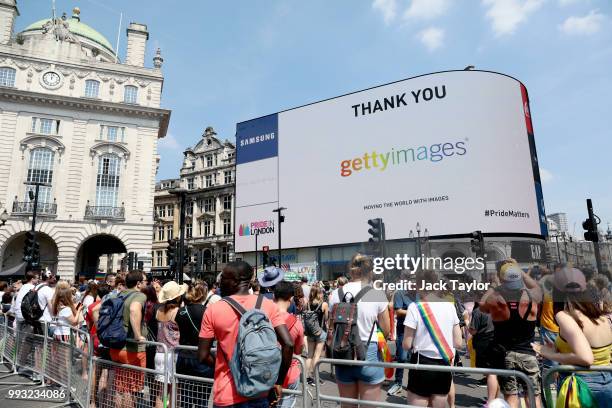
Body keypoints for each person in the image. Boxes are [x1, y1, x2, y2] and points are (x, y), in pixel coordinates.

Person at [198, 261, 294, 408]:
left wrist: (229, 365)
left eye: (223, 278)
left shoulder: (213, 310)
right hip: (261, 389)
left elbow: (202, 355)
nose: (220, 282)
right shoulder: (268, 305)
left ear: (235, 281)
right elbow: (288, 344)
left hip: (227, 393)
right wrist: (278, 382)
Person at [532, 267, 612, 406]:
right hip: (607, 383)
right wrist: (558, 349)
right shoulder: (603, 318)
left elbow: (586, 358)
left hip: (582, 386)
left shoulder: (566, 317)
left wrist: (550, 354)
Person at [328, 253, 390, 406]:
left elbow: (331, 326)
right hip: (368, 351)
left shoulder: (336, 294)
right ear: (369, 272)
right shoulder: (376, 294)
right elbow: (386, 330)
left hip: (343, 352)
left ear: (350, 271)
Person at [480, 262, 543, 408]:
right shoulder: (532, 299)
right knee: (534, 397)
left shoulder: (496, 301)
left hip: (506, 355)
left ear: (502, 280)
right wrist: (520, 271)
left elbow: (482, 304)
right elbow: (536, 287)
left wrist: (494, 284)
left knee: (511, 398)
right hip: (529, 354)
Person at [402, 270, 463, 408]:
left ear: (418, 285)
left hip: (421, 363)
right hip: (444, 362)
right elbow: (458, 342)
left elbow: (406, 344)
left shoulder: (414, 307)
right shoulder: (449, 306)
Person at [110, 270, 148, 408]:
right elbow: (134, 310)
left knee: (120, 388)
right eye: (145, 282)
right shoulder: (139, 296)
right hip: (132, 349)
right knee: (131, 390)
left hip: (116, 346)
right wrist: (138, 335)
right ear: (138, 284)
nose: (147, 284)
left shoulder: (119, 294)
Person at [176, 283, 214, 407]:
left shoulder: (181, 311)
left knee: (186, 397)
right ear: (203, 294)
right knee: (202, 399)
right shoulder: (208, 312)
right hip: (202, 357)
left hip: (183, 357)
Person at [274, 281, 305, 408]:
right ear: (291, 298)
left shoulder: (264, 317)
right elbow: (298, 350)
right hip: (289, 372)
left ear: (274, 297)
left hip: (267, 372)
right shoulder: (296, 323)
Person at [154, 281, 183, 408]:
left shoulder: (159, 310)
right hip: (173, 354)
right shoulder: (177, 311)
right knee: (174, 392)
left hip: (159, 353)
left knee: (161, 393)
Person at [387, 271, 413, 396]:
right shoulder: (399, 293)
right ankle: (398, 383)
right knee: (402, 358)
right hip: (404, 331)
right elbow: (398, 311)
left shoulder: (419, 293)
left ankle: (414, 384)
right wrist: (414, 312)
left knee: (415, 359)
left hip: (418, 332)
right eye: (408, 278)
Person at [469, 298, 498, 404]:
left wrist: (468, 324)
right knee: (494, 372)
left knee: (491, 373)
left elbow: (473, 331)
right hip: (495, 341)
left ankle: (491, 401)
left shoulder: (478, 311)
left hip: (483, 343)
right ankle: (494, 399)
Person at [305, 285, 328, 386]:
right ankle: (315, 377)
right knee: (317, 355)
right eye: (321, 292)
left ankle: (307, 377)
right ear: (319, 293)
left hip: (309, 332)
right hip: (320, 332)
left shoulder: (307, 304)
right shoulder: (324, 304)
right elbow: (326, 318)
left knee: (309, 355)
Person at [37, 271, 57, 337]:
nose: (54, 279)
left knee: (37, 340)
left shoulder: (37, 287)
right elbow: (51, 306)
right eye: (53, 278)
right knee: (45, 341)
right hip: (45, 319)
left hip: (36, 317)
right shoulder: (48, 290)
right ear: (49, 278)